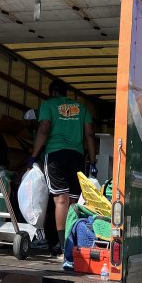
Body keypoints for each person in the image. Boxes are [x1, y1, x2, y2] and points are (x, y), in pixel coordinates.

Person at [29, 79, 96, 257]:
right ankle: (74, 243)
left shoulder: (48, 105)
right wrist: (93, 160)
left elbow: (44, 129)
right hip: (77, 157)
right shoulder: (82, 108)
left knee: (60, 200)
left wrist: (34, 156)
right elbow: (89, 133)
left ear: (52, 93)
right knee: (73, 201)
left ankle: (61, 245)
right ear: (66, 93)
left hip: (56, 154)